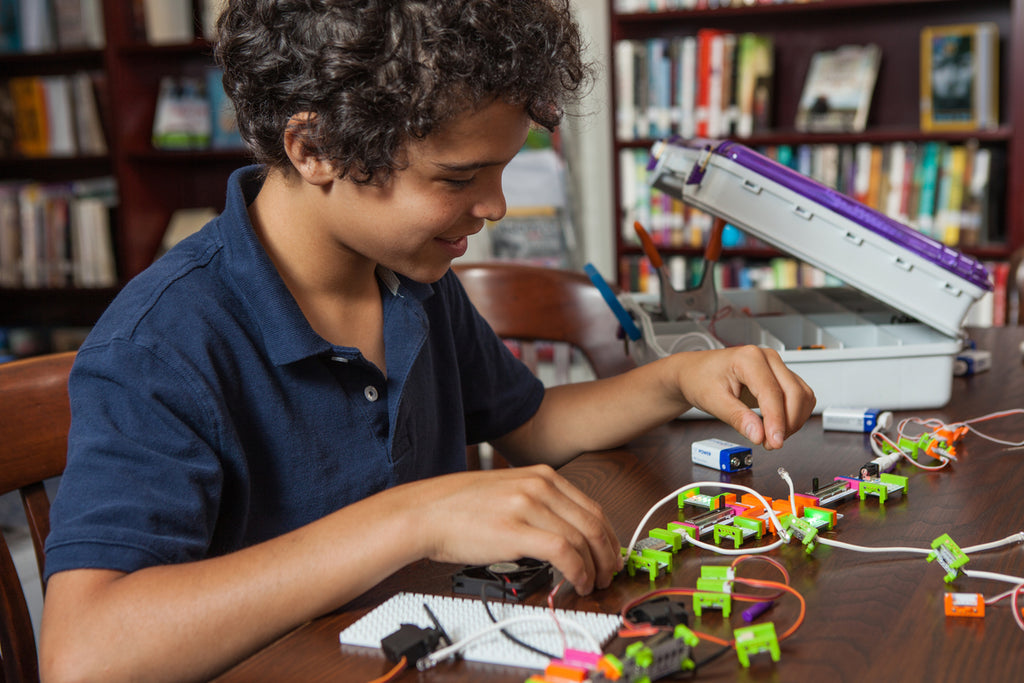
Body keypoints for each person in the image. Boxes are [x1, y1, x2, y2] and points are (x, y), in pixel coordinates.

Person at [39, 1, 816, 680]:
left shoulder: (413, 280)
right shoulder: (162, 342)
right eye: (457, 178)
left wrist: (679, 378)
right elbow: (85, 653)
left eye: (504, 170)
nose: (496, 206)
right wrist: (412, 517)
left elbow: (532, 423)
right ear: (313, 150)